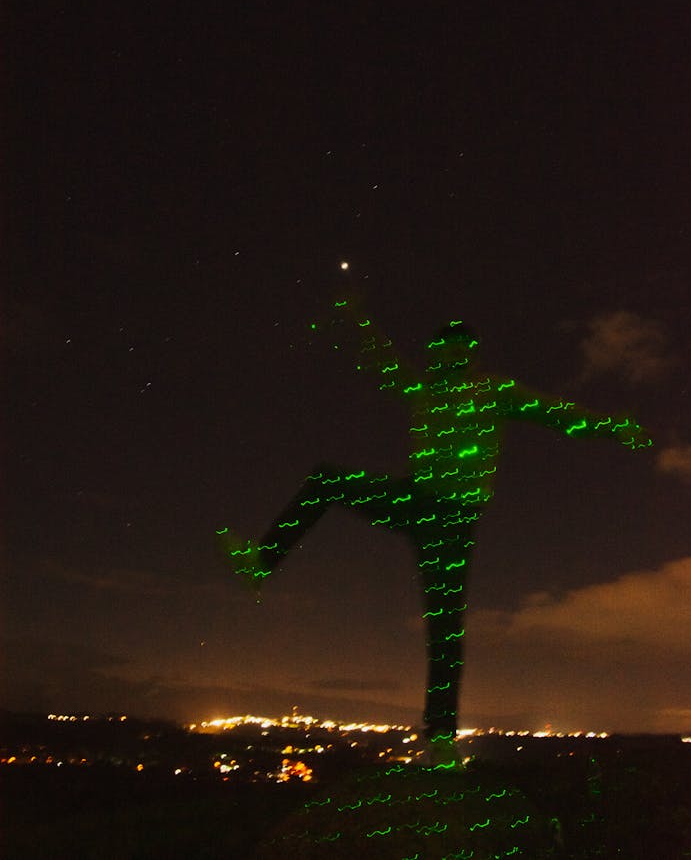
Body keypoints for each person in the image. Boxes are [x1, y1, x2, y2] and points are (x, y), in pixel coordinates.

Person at [218, 299, 651, 763]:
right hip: (415, 501)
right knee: (326, 479)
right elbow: (380, 361)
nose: (448, 360)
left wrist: (615, 427)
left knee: (444, 626)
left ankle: (441, 737)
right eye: (442, 352)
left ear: (469, 354)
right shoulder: (422, 390)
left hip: (453, 518)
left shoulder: (494, 390)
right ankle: (263, 562)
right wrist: (353, 319)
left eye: (457, 352)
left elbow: (560, 416)